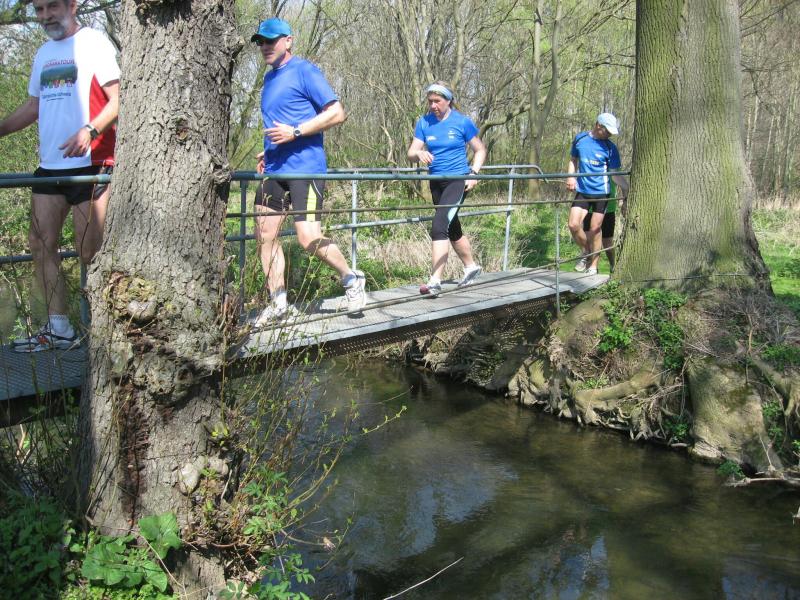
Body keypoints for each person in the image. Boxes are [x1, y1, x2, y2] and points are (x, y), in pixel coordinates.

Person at [0, 0, 119, 352]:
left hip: (92, 163)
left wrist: (90, 130)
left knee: (89, 251)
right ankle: (59, 328)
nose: (45, 16)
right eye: (39, 9)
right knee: (40, 243)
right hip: (50, 166)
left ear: (73, 5)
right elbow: (33, 106)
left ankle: (107, 332)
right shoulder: (42, 54)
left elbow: (118, 99)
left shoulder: (94, 42)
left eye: (52, 6)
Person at [251, 17, 365, 325]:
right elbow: (279, 123)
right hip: (275, 168)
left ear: (288, 41)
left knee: (308, 238)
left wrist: (296, 132)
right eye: (261, 42)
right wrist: (268, 150)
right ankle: (278, 304)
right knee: (264, 234)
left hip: (306, 168)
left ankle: (352, 279)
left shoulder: (305, 71)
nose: (265, 46)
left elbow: (337, 113)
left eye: (271, 40)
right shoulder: (269, 80)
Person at [407, 82, 486, 297]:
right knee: (452, 227)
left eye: (437, 101)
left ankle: (435, 281)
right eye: (430, 101)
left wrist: (474, 173)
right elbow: (411, 152)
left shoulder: (462, 122)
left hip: (457, 180)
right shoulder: (424, 122)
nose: (433, 105)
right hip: (436, 181)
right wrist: (419, 154)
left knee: (439, 225)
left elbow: (480, 150)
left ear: (448, 100)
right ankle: (471, 267)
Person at [566, 112, 629, 276]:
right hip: (583, 190)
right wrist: (571, 177)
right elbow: (573, 159)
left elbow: (615, 175)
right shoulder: (580, 139)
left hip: (602, 193)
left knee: (594, 229)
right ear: (598, 126)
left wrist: (626, 193)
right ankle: (587, 251)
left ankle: (593, 266)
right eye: (607, 131)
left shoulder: (611, 148)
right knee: (573, 225)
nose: (609, 135)